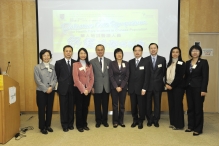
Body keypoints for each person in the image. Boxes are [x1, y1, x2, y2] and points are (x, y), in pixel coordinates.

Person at [184, 45, 209, 136]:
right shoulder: (187, 63)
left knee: (198, 109)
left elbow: (205, 77)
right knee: (190, 108)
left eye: (197, 51)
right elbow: (186, 76)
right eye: (193, 51)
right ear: (190, 52)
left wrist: (204, 89)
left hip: (198, 89)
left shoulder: (203, 62)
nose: (195, 52)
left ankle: (198, 129)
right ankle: (191, 126)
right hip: (189, 88)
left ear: (199, 52)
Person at [34, 49, 57, 134]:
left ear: (50, 57)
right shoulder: (37, 67)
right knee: (42, 109)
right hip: (41, 91)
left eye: (48, 55)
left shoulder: (53, 67)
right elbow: (37, 80)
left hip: (51, 91)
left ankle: (48, 125)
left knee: (49, 109)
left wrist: (51, 87)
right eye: (44, 55)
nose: (46, 57)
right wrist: (45, 89)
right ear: (41, 57)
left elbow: (55, 78)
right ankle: (42, 127)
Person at [55, 45, 76, 132]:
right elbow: (57, 76)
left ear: (72, 52)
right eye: (66, 51)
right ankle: (64, 124)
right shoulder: (59, 63)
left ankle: (70, 124)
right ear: (63, 52)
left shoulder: (76, 62)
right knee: (63, 108)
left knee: (71, 107)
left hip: (73, 89)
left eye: (70, 51)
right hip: (63, 89)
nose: (68, 53)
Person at [128, 44, 150, 129]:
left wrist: (144, 88)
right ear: (133, 52)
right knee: (133, 106)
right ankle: (135, 119)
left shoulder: (146, 61)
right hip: (132, 88)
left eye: (139, 50)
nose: (137, 52)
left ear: (142, 52)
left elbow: (147, 76)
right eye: (135, 50)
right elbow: (128, 75)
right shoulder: (130, 62)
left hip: (141, 89)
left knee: (141, 106)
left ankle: (141, 120)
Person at [73, 48, 94, 132]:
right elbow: (76, 79)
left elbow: (92, 78)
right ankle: (79, 125)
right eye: (81, 53)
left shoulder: (89, 65)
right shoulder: (75, 64)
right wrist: (83, 89)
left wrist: (88, 89)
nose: (83, 55)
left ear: (86, 54)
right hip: (78, 89)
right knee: (79, 108)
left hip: (87, 90)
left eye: (84, 53)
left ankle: (84, 124)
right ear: (78, 54)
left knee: (85, 107)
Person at [145, 43, 166, 128]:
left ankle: (156, 119)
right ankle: (149, 119)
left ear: (157, 49)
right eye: (151, 48)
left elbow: (164, 72)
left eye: (154, 48)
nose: (153, 49)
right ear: (149, 50)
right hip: (148, 86)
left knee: (157, 103)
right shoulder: (145, 59)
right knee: (148, 103)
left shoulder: (162, 59)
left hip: (158, 86)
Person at [90, 44, 111, 128]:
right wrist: (91, 87)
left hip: (106, 87)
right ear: (96, 51)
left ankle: (105, 121)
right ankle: (98, 121)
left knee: (105, 105)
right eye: (98, 50)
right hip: (96, 87)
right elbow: (90, 76)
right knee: (97, 105)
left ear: (104, 50)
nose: (100, 51)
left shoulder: (109, 61)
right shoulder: (92, 62)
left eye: (101, 49)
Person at [165, 47, 185, 130]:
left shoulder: (181, 63)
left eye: (177, 52)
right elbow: (166, 75)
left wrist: (171, 85)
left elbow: (179, 77)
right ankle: (173, 122)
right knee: (172, 105)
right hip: (169, 87)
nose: (175, 54)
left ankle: (179, 124)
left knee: (178, 105)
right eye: (173, 52)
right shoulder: (169, 63)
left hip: (178, 88)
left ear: (179, 54)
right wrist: (166, 84)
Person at [109, 48, 129, 128]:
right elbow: (111, 76)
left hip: (123, 88)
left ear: (122, 54)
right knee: (115, 105)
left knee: (122, 105)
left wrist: (121, 86)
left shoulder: (126, 63)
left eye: (120, 53)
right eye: (117, 53)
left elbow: (127, 76)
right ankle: (115, 121)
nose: (119, 54)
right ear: (115, 55)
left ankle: (121, 121)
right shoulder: (111, 63)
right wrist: (116, 86)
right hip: (114, 88)